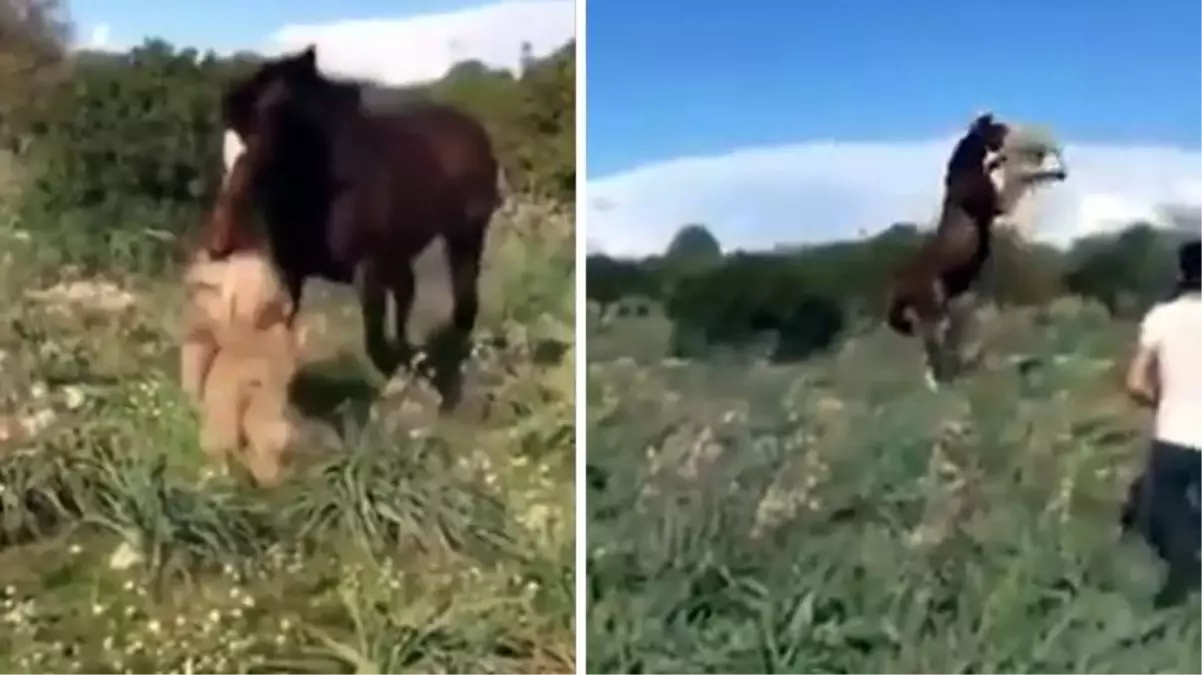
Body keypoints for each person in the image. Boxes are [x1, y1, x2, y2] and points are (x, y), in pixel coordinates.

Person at [1124, 240, 1202, 607]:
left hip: (1172, 435)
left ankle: (1180, 577)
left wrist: (1163, 402)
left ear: (1182, 273)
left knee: (1172, 510)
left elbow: (1135, 383)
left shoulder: (1162, 317)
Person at [943, 112, 1010, 223]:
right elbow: (978, 169)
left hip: (956, 181)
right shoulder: (976, 143)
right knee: (989, 196)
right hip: (964, 181)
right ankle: (992, 208)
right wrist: (994, 164)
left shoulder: (970, 141)